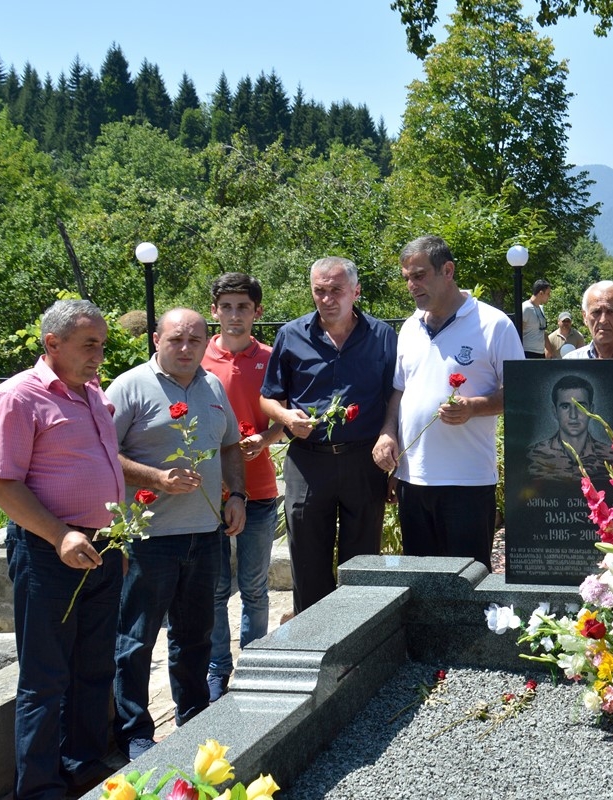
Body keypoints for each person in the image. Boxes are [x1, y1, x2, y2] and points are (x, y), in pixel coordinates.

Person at [0, 300, 124, 799]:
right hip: (49, 551)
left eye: (102, 345)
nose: (99, 355)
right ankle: (40, 787)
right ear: (52, 343)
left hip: (103, 548)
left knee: (95, 666)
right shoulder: (18, 397)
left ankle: (83, 765)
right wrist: (60, 534)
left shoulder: (92, 393)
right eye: (90, 345)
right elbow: (1, 483)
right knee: (45, 676)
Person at [107, 308, 247, 760]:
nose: (186, 348)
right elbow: (102, 453)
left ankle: (192, 717)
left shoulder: (212, 386)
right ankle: (134, 732)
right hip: (149, 538)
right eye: (176, 340)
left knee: (195, 635)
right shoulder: (129, 386)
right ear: (156, 340)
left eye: (195, 340)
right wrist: (156, 478)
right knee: (136, 640)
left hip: (204, 534)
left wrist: (237, 494)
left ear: (206, 342)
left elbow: (229, 445)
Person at [372, 235, 523, 567]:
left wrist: (474, 407)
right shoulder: (409, 327)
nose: (412, 285)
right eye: (407, 278)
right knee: (421, 583)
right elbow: (399, 390)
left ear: (448, 271)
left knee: (466, 584)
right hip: (413, 480)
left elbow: (521, 392)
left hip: (468, 482)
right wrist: (388, 433)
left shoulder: (494, 325)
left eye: (419, 275)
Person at [260, 257, 397, 614]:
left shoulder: (382, 336)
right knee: (307, 562)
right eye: (319, 291)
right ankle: (313, 636)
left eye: (336, 290)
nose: (327, 299)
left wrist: (390, 443)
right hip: (308, 461)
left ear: (356, 291)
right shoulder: (291, 335)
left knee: (362, 564)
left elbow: (394, 397)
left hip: (363, 460)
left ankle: (359, 634)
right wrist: (285, 417)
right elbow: (268, 397)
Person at [202, 272, 285, 702]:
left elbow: (285, 418)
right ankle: (218, 667)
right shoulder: (196, 356)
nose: (234, 315)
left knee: (254, 587)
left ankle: (254, 663)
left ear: (257, 312)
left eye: (243, 307)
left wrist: (265, 439)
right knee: (215, 589)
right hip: (206, 494)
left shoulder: (271, 358)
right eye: (227, 307)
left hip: (259, 488)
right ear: (214, 311)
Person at [526, 374, 613, 482]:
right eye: (565, 406)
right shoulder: (533, 457)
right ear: (555, 411)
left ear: (591, 410)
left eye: (581, 406)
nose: (573, 415)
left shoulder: (612, 458)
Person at [521, 279, 555, 359]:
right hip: (528, 353)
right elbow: (518, 332)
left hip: (540, 353)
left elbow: (543, 331)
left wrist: (549, 350)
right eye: (548, 294)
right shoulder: (525, 308)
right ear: (541, 293)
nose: (549, 296)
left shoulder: (541, 308)